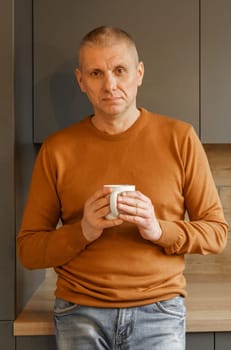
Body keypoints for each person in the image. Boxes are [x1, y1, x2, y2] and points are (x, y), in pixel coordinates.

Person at [17, 26, 228, 350]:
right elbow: (29, 250)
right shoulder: (57, 149)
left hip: (160, 311)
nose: (110, 85)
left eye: (119, 70)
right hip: (79, 313)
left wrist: (159, 230)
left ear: (139, 73)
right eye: (96, 73)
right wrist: (83, 230)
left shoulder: (181, 138)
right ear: (81, 80)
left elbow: (216, 233)